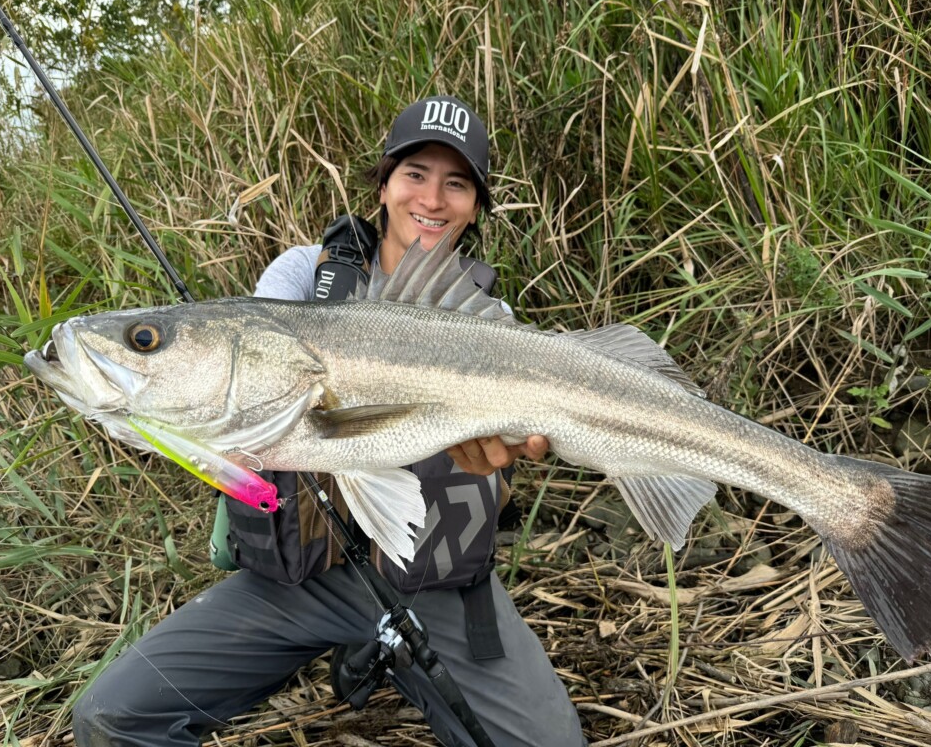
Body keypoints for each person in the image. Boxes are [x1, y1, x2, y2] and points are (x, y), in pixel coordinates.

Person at [72, 95, 585, 747]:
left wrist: (495, 453)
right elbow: (240, 394)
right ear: (385, 185)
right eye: (415, 174)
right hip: (299, 579)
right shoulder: (299, 275)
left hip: (434, 584)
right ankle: (357, 646)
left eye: (457, 183)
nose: (432, 197)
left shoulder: (491, 323)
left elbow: (502, 452)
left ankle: (385, 651)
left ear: (476, 206)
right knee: (111, 717)